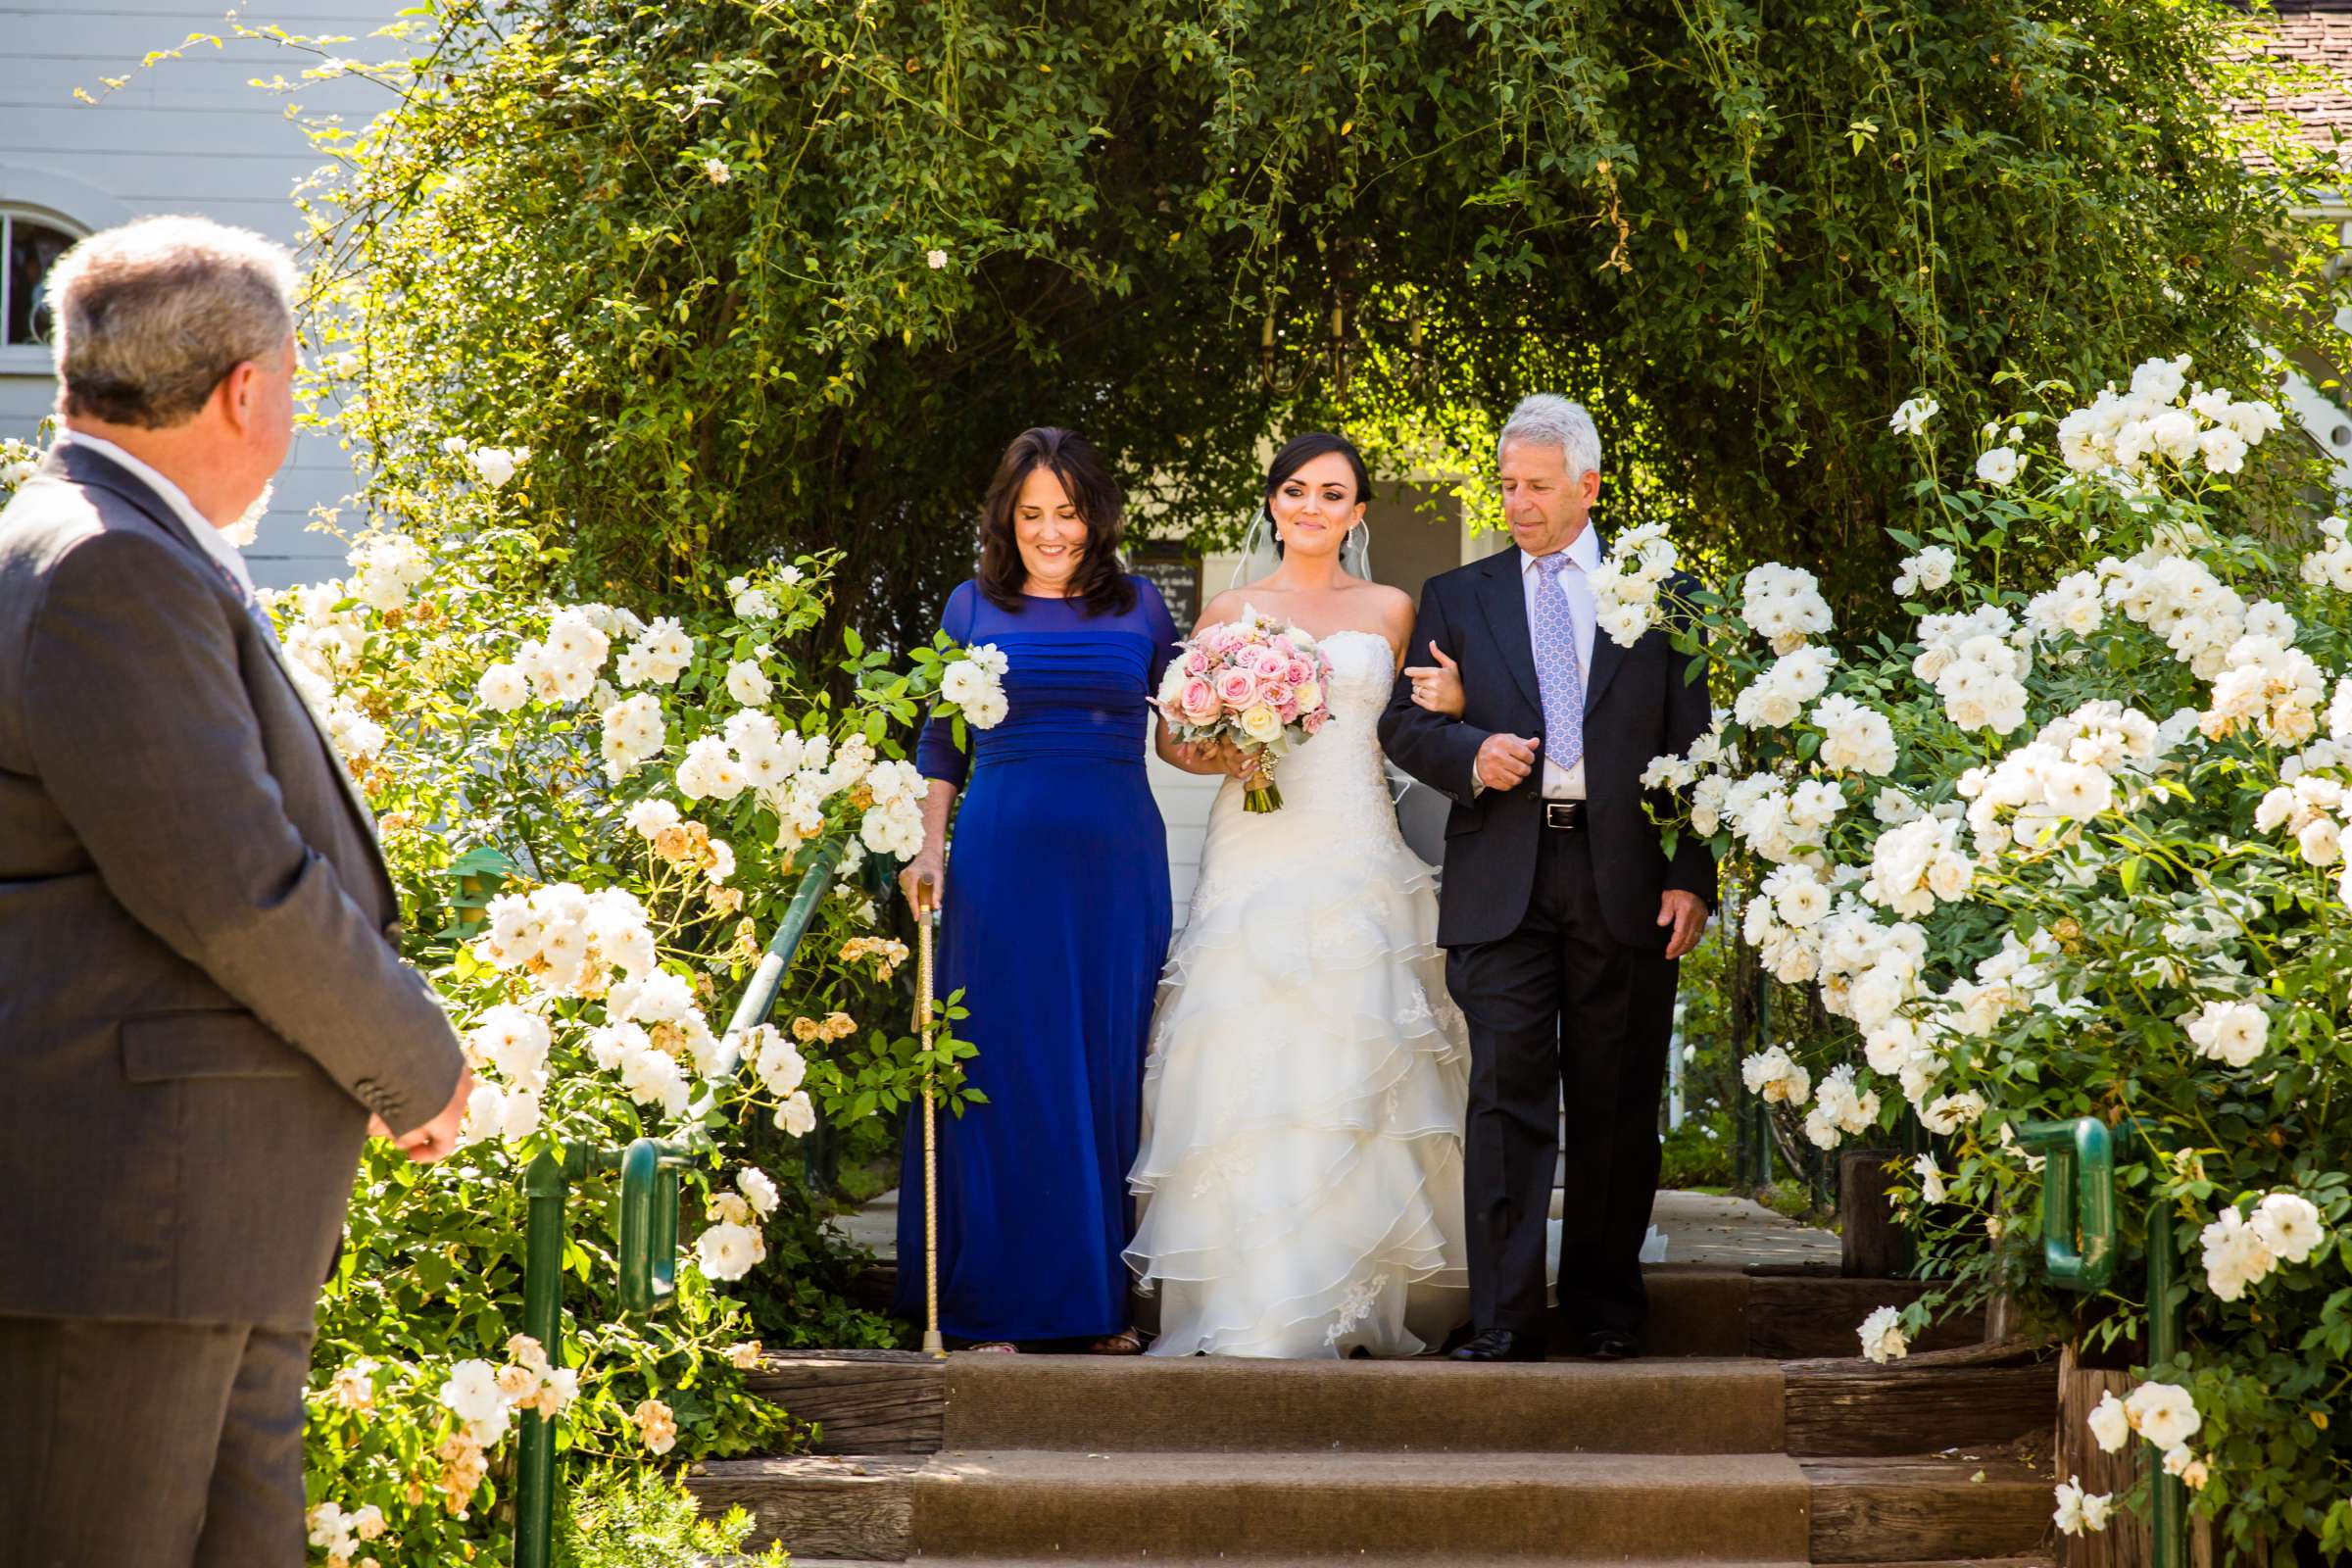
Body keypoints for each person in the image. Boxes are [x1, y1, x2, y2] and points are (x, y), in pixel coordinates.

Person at [0, 216, 470, 1564]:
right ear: (245, 390)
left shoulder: (107, 539)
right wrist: (412, 1059)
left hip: (199, 1234)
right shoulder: (104, 561)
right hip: (133, 1230)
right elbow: (230, 888)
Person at [1379, 394, 1714, 1363]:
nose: (1517, 503)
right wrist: (1470, 749)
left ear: (1587, 486)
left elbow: (1698, 745)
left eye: (1535, 486)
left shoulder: (1668, 597)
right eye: (1508, 485)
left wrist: (1693, 872)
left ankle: (1606, 1310)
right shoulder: (1459, 595)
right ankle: (1506, 1317)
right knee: (1506, 1096)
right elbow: (1406, 726)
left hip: (1629, 880)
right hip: (1502, 877)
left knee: (1614, 1097)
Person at [1126, 432, 1472, 1357]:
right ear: (1273, 503)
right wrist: (1222, 746)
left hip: (1355, 851)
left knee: (1358, 1051)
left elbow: (1410, 722)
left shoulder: (1394, 609)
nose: (1311, 507)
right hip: (1256, 844)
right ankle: (1252, 1294)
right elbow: (1176, 741)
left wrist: (1451, 708)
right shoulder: (1231, 608)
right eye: (1295, 491)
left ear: (1358, 512)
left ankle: (1354, 1295)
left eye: (1332, 494)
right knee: (1247, 1048)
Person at [894, 426, 1180, 1353]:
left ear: (1097, 516)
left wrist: (1259, 728)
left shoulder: (1142, 607)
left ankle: (1094, 1305)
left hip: (1117, 868)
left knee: (1101, 1071)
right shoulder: (970, 605)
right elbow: (939, 744)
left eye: (1068, 512)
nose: (1051, 532)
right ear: (1005, 520)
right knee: (1005, 1070)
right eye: (1032, 515)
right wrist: (926, 850)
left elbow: (1180, 732)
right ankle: (993, 1306)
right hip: (1000, 863)